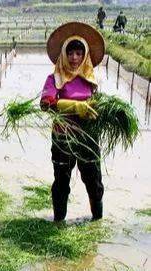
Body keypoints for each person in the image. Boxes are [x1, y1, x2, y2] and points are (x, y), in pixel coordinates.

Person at [40, 22, 106, 222]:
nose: (74, 58)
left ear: (85, 55)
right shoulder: (55, 78)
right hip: (63, 137)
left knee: (94, 181)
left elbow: (98, 105)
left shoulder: (91, 80)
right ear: (63, 55)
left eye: (79, 53)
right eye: (70, 53)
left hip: (88, 137)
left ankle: (97, 220)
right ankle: (58, 222)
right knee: (61, 182)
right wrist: (76, 107)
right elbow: (46, 103)